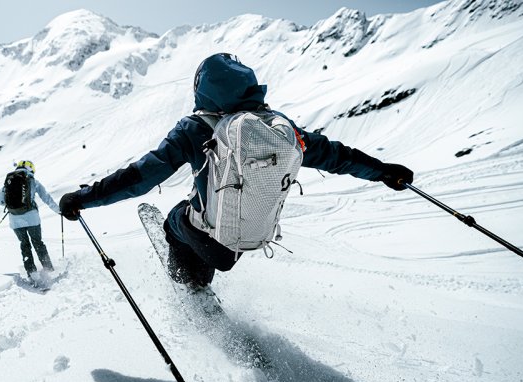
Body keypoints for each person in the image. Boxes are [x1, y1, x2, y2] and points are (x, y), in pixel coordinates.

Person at [59, 53, 413, 288]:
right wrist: (383, 171)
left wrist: (84, 198)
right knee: (217, 223)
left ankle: (188, 284)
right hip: (250, 239)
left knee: (176, 219)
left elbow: (140, 177)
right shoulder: (278, 127)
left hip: (211, 239)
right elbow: (335, 155)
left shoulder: (194, 129)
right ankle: (200, 274)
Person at [0, 160, 60, 278]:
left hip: (15, 220)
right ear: (31, 169)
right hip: (32, 219)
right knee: (38, 243)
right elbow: (46, 198)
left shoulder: (8, 182)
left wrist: (12, 204)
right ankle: (49, 270)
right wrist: (59, 210)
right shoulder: (32, 180)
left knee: (24, 245)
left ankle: (32, 273)